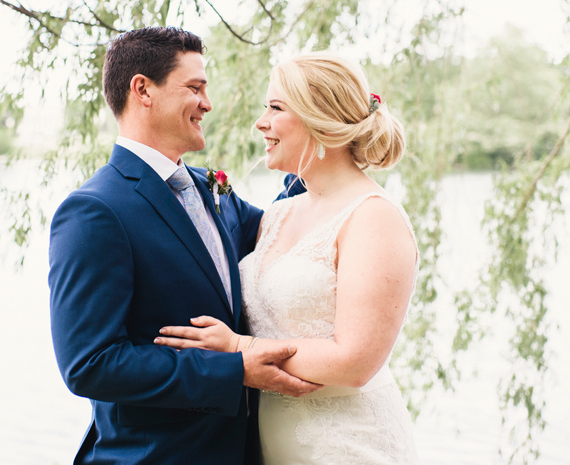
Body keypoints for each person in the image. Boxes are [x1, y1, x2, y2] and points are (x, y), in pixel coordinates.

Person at [47, 27, 319, 465]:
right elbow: (90, 363)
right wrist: (234, 370)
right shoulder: (94, 211)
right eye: (195, 88)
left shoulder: (208, 188)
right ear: (143, 90)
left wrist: (321, 137)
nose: (207, 104)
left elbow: (279, 227)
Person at [156, 52, 421, 464]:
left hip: (349, 446)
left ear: (321, 118)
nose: (260, 122)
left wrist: (239, 348)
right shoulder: (279, 214)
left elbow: (355, 362)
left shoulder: (373, 216)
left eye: (276, 108)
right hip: (271, 446)